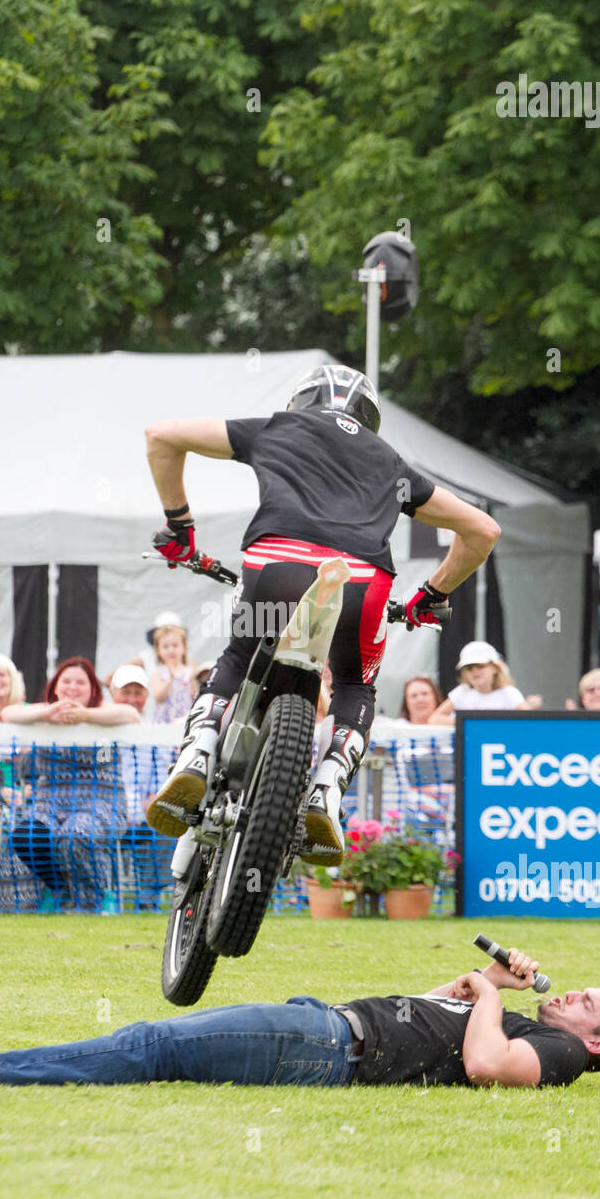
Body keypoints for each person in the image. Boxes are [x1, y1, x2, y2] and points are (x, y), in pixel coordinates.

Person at [144, 362, 500, 863]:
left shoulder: (277, 427)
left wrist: (180, 529)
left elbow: (161, 435)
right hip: (362, 582)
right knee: (355, 686)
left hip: (277, 564)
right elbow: (483, 530)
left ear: (303, 401)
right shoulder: (390, 461)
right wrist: (431, 596)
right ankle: (326, 789)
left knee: (241, 652)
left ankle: (198, 749)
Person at [0, 946, 600, 1091]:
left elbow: (486, 1066)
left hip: (328, 1049)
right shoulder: (519, 1018)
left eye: (587, 1004)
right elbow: (430, 1021)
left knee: (155, 1044)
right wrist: (477, 983)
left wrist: (486, 1000)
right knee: (159, 1046)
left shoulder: (562, 1055)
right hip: (325, 1027)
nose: (570, 996)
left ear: (596, 1040)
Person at [1, 657, 139, 908]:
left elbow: (131, 713)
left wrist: (84, 715)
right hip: (49, 803)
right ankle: (60, 888)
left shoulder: (104, 713)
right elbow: (7, 713)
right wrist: (47, 714)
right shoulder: (42, 713)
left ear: (92, 689)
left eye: (80, 682)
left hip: (102, 802)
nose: (72, 687)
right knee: (25, 836)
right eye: (66, 681)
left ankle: (97, 896)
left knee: (75, 835)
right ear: (55, 686)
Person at [108, 665, 175, 908]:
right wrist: (132, 807)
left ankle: (147, 898)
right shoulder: (103, 729)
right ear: (113, 693)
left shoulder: (153, 731)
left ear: (146, 696)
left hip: (144, 813)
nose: (132, 699)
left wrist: (148, 804)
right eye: (126, 692)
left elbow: (162, 777)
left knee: (166, 821)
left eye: (138, 692)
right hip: (110, 809)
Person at [428, 642, 539, 723]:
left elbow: (529, 720)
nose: (474, 671)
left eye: (480, 666)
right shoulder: (462, 692)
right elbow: (434, 719)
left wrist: (530, 708)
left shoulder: (509, 693)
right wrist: (466, 724)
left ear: (495, 668)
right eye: (469, 668)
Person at [150, 623, 197, 724]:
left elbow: (196, 695)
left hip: (184, 720)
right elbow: (158, 697)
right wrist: (169, 680)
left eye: (175, 645)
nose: (171, 650)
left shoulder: (190, 671)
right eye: (165, 646)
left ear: (184, 647)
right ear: (158, 650)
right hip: (163, 722)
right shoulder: (158, 672)